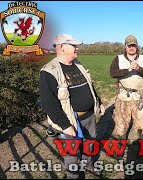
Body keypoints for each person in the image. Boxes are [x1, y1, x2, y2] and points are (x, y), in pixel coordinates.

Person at [40, 34, 105, 178]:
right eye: (74, 46)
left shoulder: (78, 64)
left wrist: (98, 101)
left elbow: (89, 85)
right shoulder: (49, 71)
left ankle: (88, 164)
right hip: (71, 120)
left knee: (90, 143)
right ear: (62, 47)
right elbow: (49, 103)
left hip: (89, 116)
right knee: (72, 152)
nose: (77, 48)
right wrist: (65, 125)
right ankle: (73, 175)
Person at [109, 35, 143, 156]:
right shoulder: (118, 59)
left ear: (137, 46)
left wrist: (138, 68)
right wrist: (128, 69)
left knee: (141, 124)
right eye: (129, 45)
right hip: (123, 97)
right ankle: (121, 148)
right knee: (122, 124)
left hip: (139, 97)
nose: (131, 48)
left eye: (134, 45)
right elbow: (112, 73)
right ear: (125, 46)